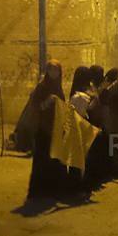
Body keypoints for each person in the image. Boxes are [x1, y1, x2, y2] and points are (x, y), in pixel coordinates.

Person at [22, 60, 69, 201]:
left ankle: (54, 191)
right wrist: (47, 102)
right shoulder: (42, 87)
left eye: (56, 70)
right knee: (42, 160)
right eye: (51, 70)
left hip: (56, 128)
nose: (54, 73)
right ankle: (39, 192)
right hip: (43, 129)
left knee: (55, 160)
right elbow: (35, 106)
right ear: (47, 71)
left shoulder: (58, 87)